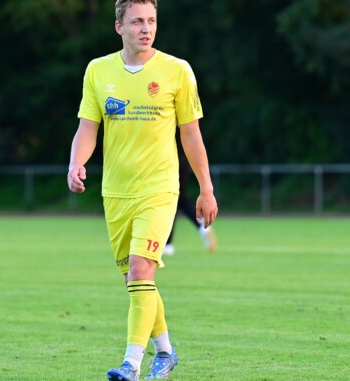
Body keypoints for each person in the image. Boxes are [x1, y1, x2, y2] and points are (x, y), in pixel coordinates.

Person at [67, 0, 218, 379]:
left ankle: (130, 365)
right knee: (136, 281)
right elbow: (88, 126)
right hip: (115, 192)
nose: (145, 28)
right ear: (119, 27)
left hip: (160, 188)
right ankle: (165, 353)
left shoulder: (177, 70)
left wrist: (206, 188)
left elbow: (191, 133)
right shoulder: (98, 71)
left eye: (151, 20)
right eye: (136, 21)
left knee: (140, 270)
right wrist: (76, 162)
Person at [163, 132, 217, 256]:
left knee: (173, 199)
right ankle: (202, 226)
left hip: (168, 161)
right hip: (183, 158)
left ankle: (167, 244)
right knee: (180, 199)